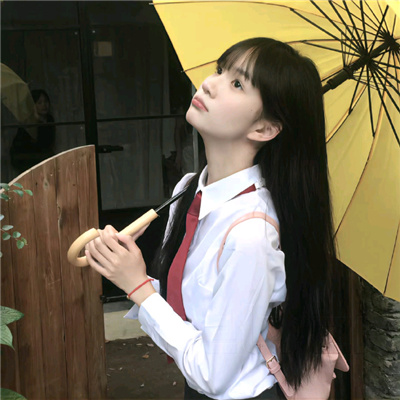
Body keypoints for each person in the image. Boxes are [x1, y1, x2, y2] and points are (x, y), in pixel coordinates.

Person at [85, 37, 335, 400]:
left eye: (237, 83)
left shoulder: (251, 236)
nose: (208, 84)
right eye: (220, 70)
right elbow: (194, 311)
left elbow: (212, 374)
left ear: (264, 129)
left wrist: (138, 287)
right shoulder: (189, 189)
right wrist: (124, 268)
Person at [10, 89, 56, 174]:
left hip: (43, 158)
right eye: (39, 103)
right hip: (27, 159)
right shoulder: (28, 121)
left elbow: (48, 142)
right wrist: (35, 121)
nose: (44, 105)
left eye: (46, 102)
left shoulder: (49, 119)